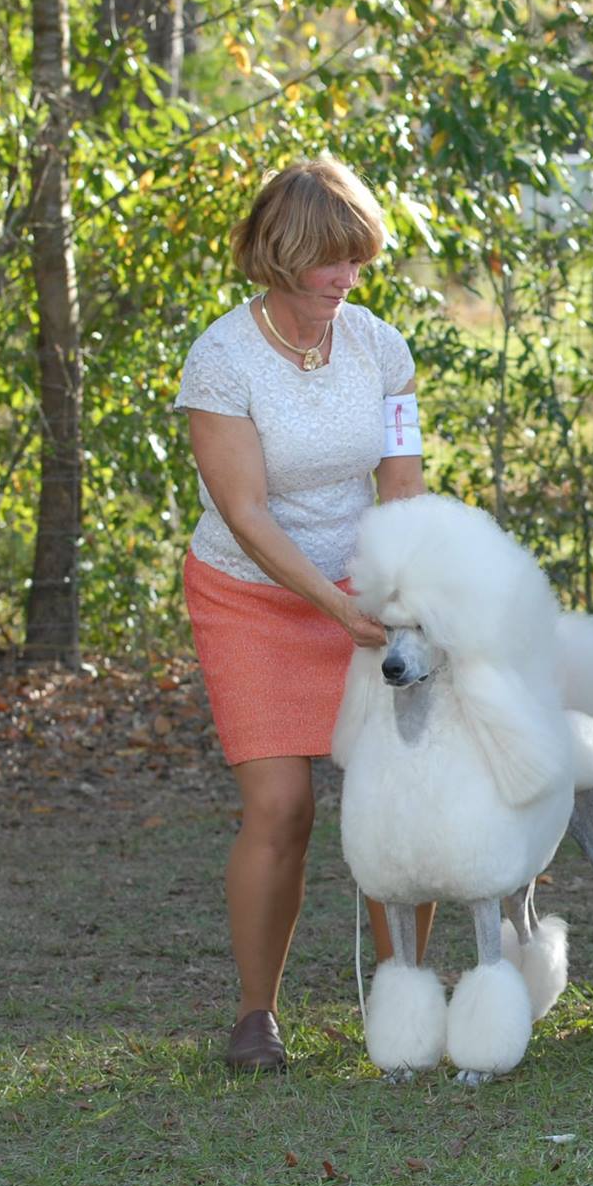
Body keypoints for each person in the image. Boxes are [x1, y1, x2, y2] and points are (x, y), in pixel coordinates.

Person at [175, 156, 435, 1070]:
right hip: (250, 599)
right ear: (285, 256)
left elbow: (399, 480)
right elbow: (245, 515)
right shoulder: (221, 358)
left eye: (358, 263)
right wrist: (330, 604)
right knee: (283, 808)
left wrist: (395, 592)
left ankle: (405, 997)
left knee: (392, 799)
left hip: (363, 599)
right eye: (333, 262)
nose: (348, 281)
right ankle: (256, 1017)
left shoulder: (381, 347)